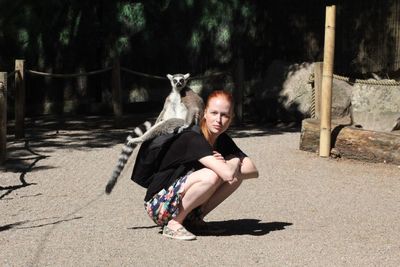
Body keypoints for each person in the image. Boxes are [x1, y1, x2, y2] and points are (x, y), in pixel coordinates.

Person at [144, 90, 259, 240]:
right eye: (214, 113)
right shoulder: (193, 137)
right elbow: (227, 174)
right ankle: (173, 224)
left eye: (225, 115)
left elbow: (253, 171)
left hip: (176, 200)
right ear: (205, 113)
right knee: (212, 175)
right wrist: (231, 162)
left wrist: (232, 160)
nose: (219, 119)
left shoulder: (221, 139)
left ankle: (194, 220)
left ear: (231, 119)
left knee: (234, 177)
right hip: (158, 204)